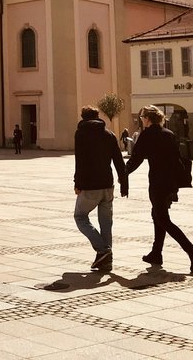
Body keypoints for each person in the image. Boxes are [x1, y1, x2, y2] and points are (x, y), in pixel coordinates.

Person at [125, 105, 193, 273]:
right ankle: (156, 253)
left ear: (147, 119)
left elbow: (136, 158)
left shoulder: (147, 135)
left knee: (162, 218)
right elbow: (177, 158)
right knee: (158, 215)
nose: (142, 121)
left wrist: (123, 173)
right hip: (171, 182)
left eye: (142, 118)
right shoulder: (169, 134)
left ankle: (192, 250)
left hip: (158, 182)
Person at [73, 106, 127, 271]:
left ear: (83, 117)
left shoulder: (81, 133)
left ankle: (103, 250)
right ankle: (106, 261)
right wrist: (124, 184)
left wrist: (77, 183)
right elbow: (118, 160)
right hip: (107, 185)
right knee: (106, 224)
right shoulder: (108, 134)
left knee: (80, 217)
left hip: (90, 185)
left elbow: (80, 160)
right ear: (97, 116)